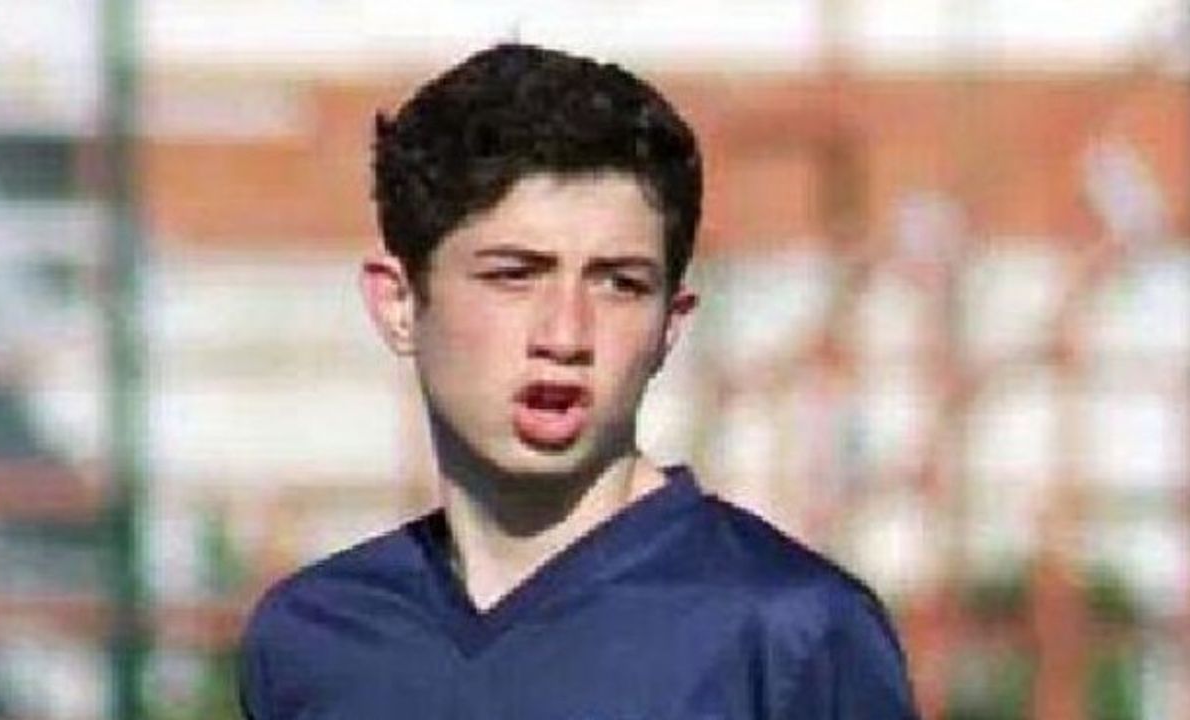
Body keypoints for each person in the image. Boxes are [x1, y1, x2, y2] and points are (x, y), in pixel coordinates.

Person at [238, 42, 918, 719]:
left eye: (620, 284)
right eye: (514, 275)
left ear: (671, 324)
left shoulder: (790, 636)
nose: (565, 336)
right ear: (398, 304)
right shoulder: (313, 640)